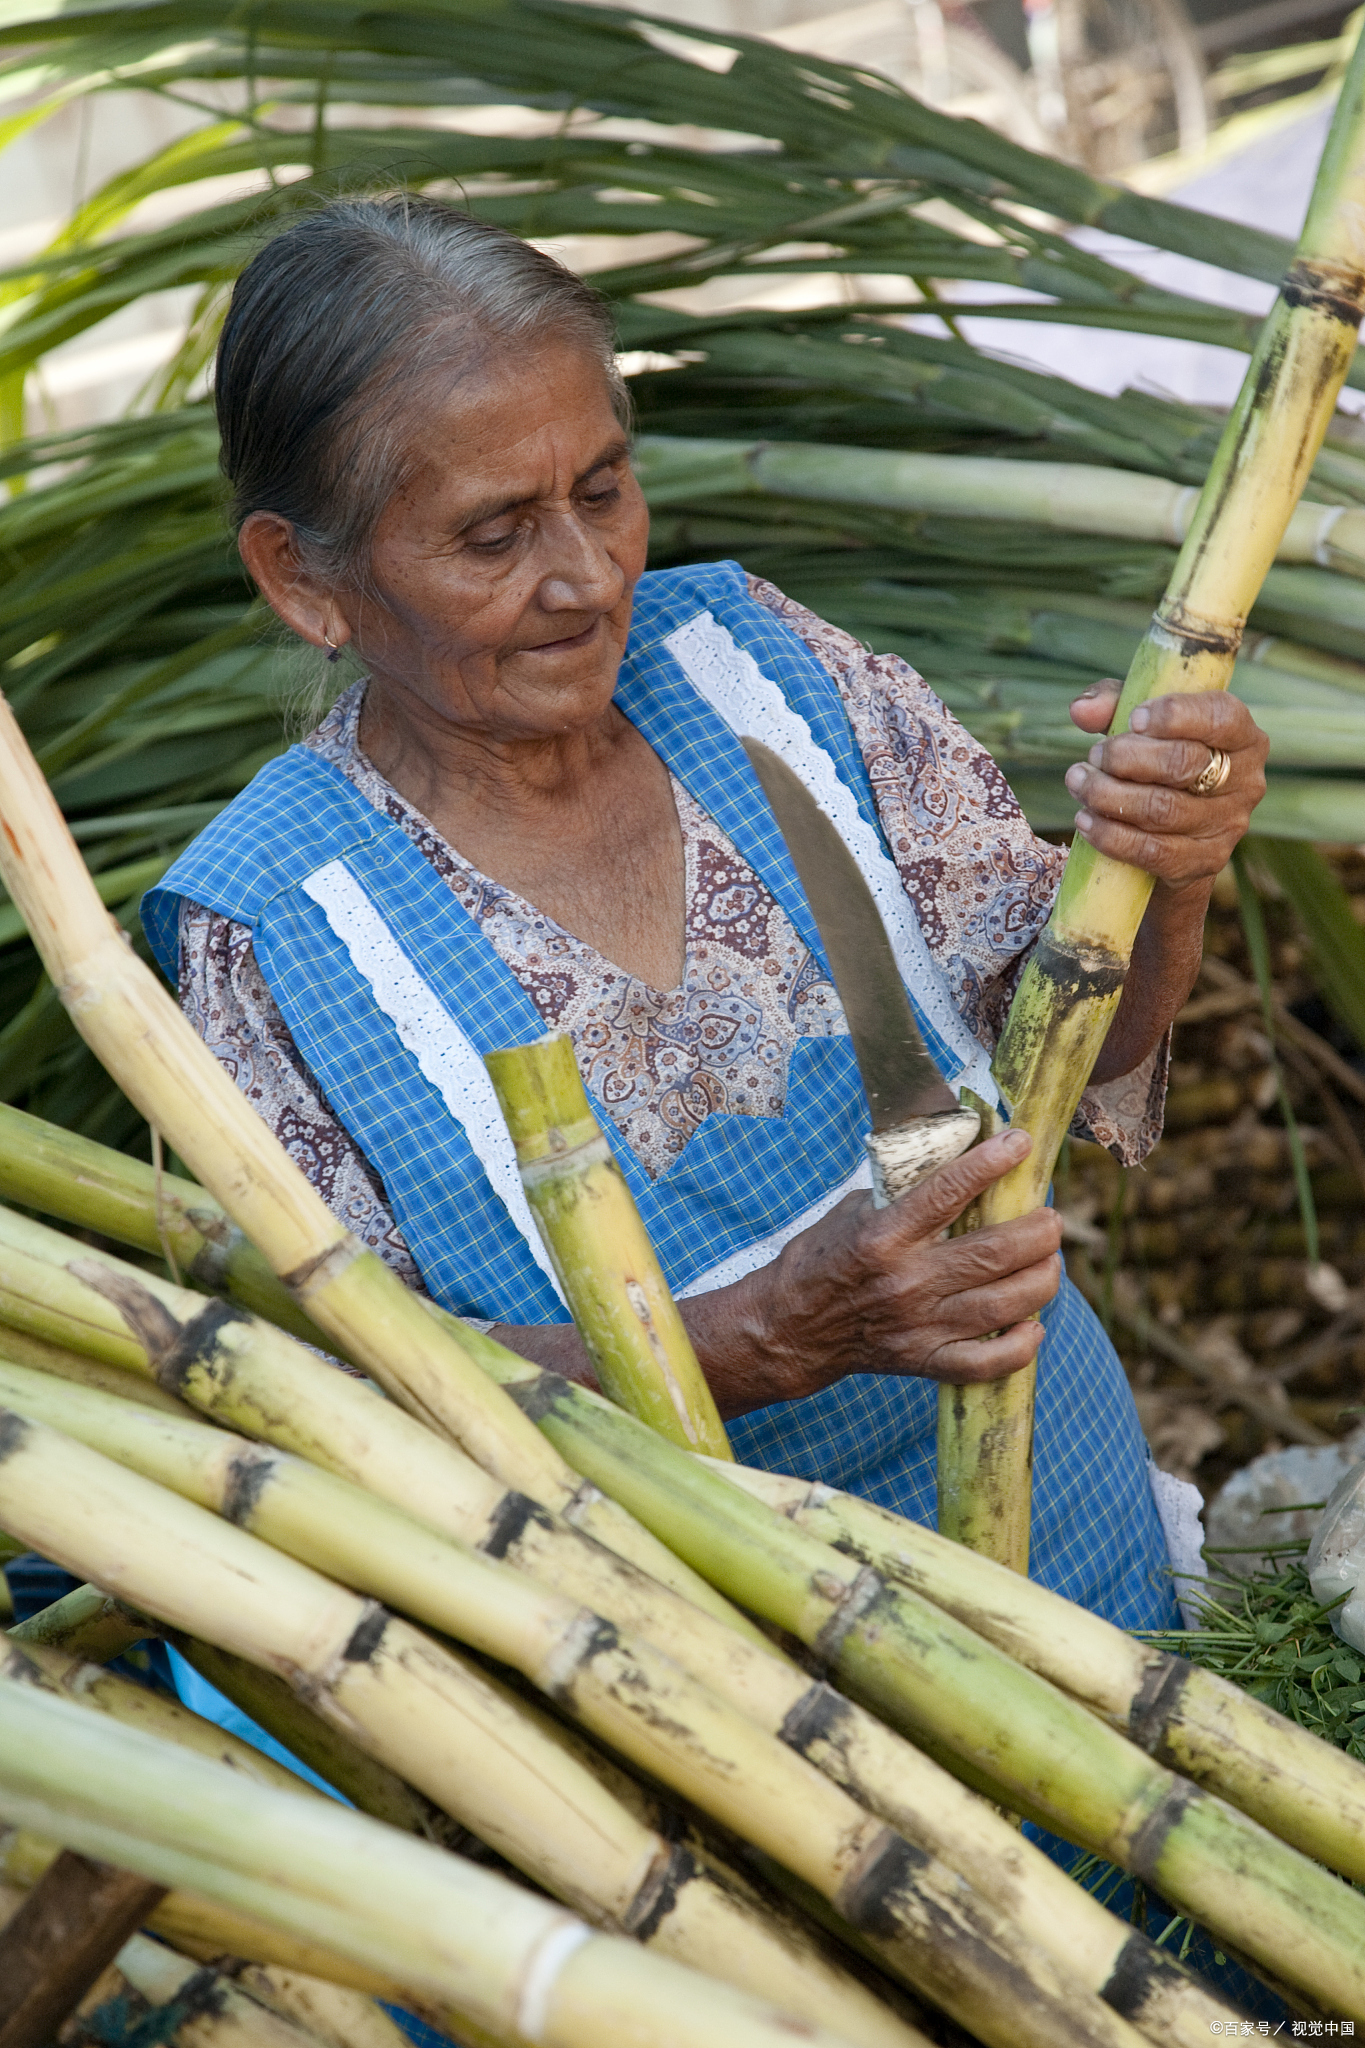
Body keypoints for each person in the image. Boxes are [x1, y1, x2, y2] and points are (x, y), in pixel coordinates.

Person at [144, 195, 1268, 1634]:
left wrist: (1170, 869)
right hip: (731, 1710)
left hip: (1082, 1557)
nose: (588, 575)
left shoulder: (760, 669)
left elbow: (1088, 1062)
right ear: (304, 580)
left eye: (603, 488)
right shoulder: (270, 928)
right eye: (493, 536)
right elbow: (348, 1398)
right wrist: (745, 1346)